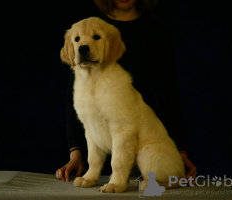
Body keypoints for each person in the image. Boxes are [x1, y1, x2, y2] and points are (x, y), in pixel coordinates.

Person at [56, 0, 197, 184]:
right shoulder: (87, 27)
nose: (84, 44)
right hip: (107, 165)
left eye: (97, 37)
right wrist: (76, 154)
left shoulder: (156, 32)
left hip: (145, 151)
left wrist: (179, 154)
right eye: (77, 41)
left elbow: (168, 96)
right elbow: (83, 119)